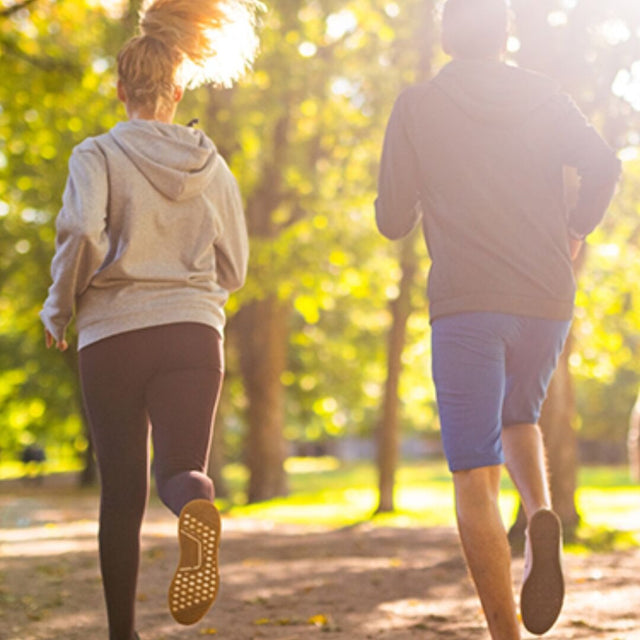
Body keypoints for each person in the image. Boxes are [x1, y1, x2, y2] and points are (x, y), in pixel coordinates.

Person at [375, 0, 620, 637]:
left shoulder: (418, 105)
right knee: (521, 415)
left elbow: (392, 220)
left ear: (445, 36)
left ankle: (505, 635)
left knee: (473, 476)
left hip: (468, 305)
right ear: (506, 35)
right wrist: (575, 227)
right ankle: (539, 513)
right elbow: (605, 165)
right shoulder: (547, 95)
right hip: (546, 300)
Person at [40, 1, 260, 638]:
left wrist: (60, 307)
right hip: (194, 332)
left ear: (120, 89)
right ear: (178, 87)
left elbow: (82, 230)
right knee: (178, 470)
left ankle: (121, 634)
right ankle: (196, 502)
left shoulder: (98, 154)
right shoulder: (212, 165)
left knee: (122, 493)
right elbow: (236, 267)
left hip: (114, 335)